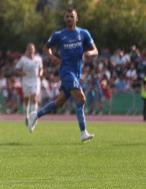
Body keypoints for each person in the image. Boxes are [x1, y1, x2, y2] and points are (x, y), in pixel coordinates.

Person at [28, 8, 98, 141]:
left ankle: (36, 115)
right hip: (66, 72)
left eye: (72, 16)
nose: (69, 19)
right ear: (64, 19)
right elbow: (45, 47)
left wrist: (90, 53)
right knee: (81, 99)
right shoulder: (59, 35)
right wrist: (52, 56)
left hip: (76, 74)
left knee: (59, 102)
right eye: (67, 17)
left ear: (76, 18)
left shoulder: (84, 34)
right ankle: (83, 132)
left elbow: (95, 50)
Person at [14, 43, 43, 123]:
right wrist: (21, 73)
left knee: (34, 97)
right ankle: (27, 115)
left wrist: (40, 74)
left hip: (35, 80)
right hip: (26, 81)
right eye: (29, 49)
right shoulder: (23, 59)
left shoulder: (38, 59)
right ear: (27, 50)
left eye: (32, 49)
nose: (30, 50)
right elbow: (16, 70)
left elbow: (41, 68)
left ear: (34, 50)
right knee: (27, 98)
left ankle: (33, 116)